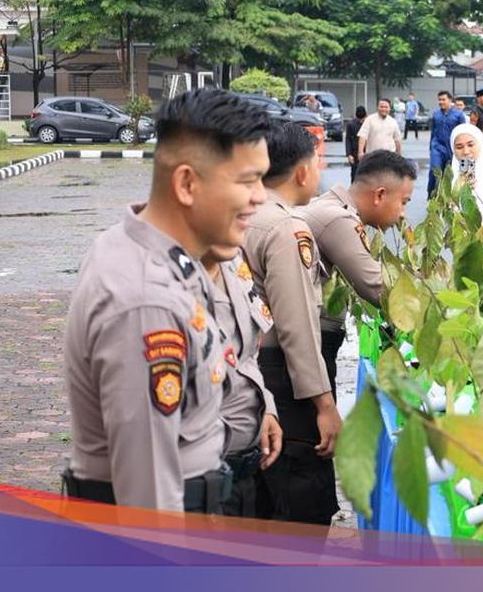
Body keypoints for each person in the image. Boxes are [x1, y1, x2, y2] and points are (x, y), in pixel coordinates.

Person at [62, 88, 271, 513]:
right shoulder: (145, 302)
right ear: (187, 184)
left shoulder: (151, 251)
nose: (261, 197)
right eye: (248, 181)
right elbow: (148, 500)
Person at [243, 121, 340, 525]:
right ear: (302, 171)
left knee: (260, 494)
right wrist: (324, 403)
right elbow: (296, 324)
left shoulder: (241, 214)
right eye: (319, 162)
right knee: (299, 496)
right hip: (282, 377)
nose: (321, 172)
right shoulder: (286, 227)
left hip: (247, 372)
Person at [301, 150, 416, 394]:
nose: (403, 213)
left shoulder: (331, 206)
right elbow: (377, 287)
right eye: (404, 202)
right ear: (380, 195)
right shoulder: (338, 219)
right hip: (308, 348)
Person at [201, 245, 282, 517]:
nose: (258, 199)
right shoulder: (158, 276)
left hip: (244, 469)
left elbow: (246, 351)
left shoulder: (232, 257)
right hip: (197, 484)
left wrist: (265, 406)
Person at [429, 91, 467, 197]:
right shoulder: (436, 114)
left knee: (452, 173)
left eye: (443, 99)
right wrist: (431, 148)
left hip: (452, 148)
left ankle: (450, 197)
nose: (441, 102)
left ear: (450, 100)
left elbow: (463, 132)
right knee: (435, 171)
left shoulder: (458, 115)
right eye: (439, 100)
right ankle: (433, 195)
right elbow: (433, 132)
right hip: (437, 147)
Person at [345, 105, 367, 182]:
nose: (361, 121)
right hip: (355, 153)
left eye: (363, 120)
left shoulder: (368, 123)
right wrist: (349, 154)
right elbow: (348, 139)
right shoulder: (351, 124)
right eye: (359, 120)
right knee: (354, 175)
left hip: (367, 152)